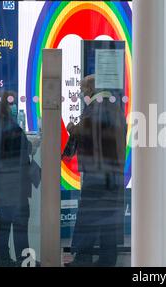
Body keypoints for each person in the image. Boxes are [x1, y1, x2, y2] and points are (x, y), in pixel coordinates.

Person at [64, 75, 126, 266]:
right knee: (110, 216)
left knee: (88, 214)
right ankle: (108, 258)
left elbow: (86, 130)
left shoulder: (97, 106)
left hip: (97, 170)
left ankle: (82, 258)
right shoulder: (115, 106)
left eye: (83, 89)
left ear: (92, 89)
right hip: (113, 171)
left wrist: (72, 128)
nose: (82, 93)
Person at [0, 90, 32, 267]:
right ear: (5, 106)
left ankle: (3, 257)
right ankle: (24, 259)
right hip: (14, 180)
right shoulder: (9, 127)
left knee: (4, 219)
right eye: (11, 102)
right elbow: (22, 149)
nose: (14, 106)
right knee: (21, 218)